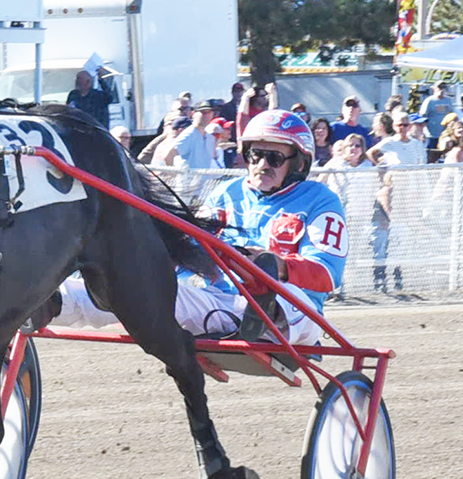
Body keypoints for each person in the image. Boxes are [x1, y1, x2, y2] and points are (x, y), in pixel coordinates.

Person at [52, 110, 346, 345]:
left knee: (282, 294)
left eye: (274, 157)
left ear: (298, 163)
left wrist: (276, 268)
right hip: (221, 306)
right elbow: (192, 252)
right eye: (255, 155)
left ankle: (266, 309)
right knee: (137, 288)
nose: (261, 164)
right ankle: (46, 301)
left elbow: (327, 274)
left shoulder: (320, 200)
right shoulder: (226, 193)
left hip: (297, 314)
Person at [418, 81, 454, 147]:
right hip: (430, 135)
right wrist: (421, 133)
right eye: (440, 87)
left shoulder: (448, 100)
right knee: (430, 154)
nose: (442, 89)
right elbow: (422, 117)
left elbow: (451, 116)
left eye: (444, 87)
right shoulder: (429, 101)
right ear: (434, 88)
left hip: (444, 136)